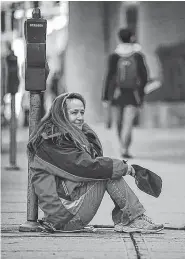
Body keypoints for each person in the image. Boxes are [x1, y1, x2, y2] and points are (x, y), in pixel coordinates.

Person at [28, 92, 163, 233]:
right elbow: (85, 167)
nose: (80, 118)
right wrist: (126, 168)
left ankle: (131, 218)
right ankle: (133, 218)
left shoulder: (66, 135)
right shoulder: (53, 141)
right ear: (61, 115)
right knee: (106, 173)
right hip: (64, 218)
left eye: (82, 112)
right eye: (74, 113)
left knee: (106, 170)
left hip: (65, 214)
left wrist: (87, 136)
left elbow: (91, 162)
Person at [102, 28, 148, 158]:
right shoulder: (138, 56)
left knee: (119, 123)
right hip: (133, 94)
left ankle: (122, 145)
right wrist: (141, 93)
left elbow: (109, 76)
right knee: (128, 123)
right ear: (132, 38)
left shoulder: (114, 56)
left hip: (116, 94)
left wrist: (105, 96)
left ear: (119, 38)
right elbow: (144, 76)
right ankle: (124, 148)